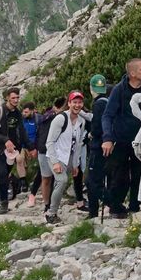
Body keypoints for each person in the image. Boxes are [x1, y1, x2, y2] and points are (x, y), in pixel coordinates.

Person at [100, 58, 141, 217]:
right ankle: (115, 207)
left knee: (139, 174)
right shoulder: (119, 90)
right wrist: (107, 138)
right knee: (119, 175)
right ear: (132, 73)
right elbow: (107, 115)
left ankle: (135, 207)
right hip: (121, 140)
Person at [45, 92, 87, 224]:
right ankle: (51, 213)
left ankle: (51, 209)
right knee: (62, 180)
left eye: (79, 102)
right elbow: (50, 142)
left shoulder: (81, 121)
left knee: (66, 181)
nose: (77, 105)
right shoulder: (61, 119)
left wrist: (75, 164)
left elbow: (78, 144)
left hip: (69, 157)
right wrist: (55, 162)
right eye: (74, 102)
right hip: (56, 156)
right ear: (69, 103)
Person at [0, 88, 28, 213]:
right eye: (13, 98)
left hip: (11, 151)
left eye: (17, 97)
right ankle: (4, 203)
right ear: (7, 98)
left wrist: (31, 147)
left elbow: (21, 131)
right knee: (3, 174)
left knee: (3, 177)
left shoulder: (17, 113)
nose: (16, 100)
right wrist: (5, 140)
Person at [85, 74, 111, 218]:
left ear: (91, 88)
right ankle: (93, 211)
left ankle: (112, 204)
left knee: (92, 181)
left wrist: (90, 134)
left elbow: (96, 128)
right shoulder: (107, 101)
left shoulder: (98, 104)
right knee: (97, 179)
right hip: (107, 145)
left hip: (98, 146)